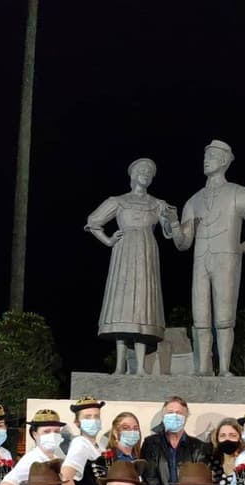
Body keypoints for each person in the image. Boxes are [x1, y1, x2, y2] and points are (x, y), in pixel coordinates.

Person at [165, 139, 245, 376]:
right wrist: (172, 222)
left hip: (227, 260)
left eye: (210, 156)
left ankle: (223, 369)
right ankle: (202, 369)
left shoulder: (240, 194)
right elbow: (183, 243)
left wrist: (239, 249)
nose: (205, 160)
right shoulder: (194, 200)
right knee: (200, 316)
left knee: (224, 317)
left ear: (223, 160)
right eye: (204, 156)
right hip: (200, 261)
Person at [85, 157, 173, 376]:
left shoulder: (158, 203)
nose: (145, 172)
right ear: (132, 175)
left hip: (147, 252)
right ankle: (119, 366)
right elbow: (93, 221)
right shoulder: (118, 200)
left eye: (149, 171)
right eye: (141, 169)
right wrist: (108, 240)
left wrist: (171, 219)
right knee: (122, 306)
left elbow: (169, 232)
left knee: (143, 306)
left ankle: (141, 368)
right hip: (124, 252)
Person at [141, 396, 209, 485]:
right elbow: (150, 479)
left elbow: (199, 481)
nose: (174, 416)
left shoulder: (198, 447)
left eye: (179, 413)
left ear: (186, 417)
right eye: (170, 412)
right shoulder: (150, 443)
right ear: (163, 416)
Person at [0, 408, 68, 485]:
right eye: (46, 431)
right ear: (35, 434)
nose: (53, 435)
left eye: (56, 431)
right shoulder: (31, 460)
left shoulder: (56, 458)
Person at [60, 396, 108, 485]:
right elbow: (65, 477)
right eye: (87, 417)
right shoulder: (80, 443)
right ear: (77, 423)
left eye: (96, 416)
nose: (93, 420)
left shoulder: (100, 446)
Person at [107, 411, 146, 485]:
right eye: (126, 428)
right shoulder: (108, 460)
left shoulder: (139, 460)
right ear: (116, 432)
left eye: (135, 428)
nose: (131, 431)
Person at [208, 418, 244, 485]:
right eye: (222, 436)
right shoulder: (213, 463)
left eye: (232, 435)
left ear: (240, 438)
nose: (227, 439)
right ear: (217, 439)